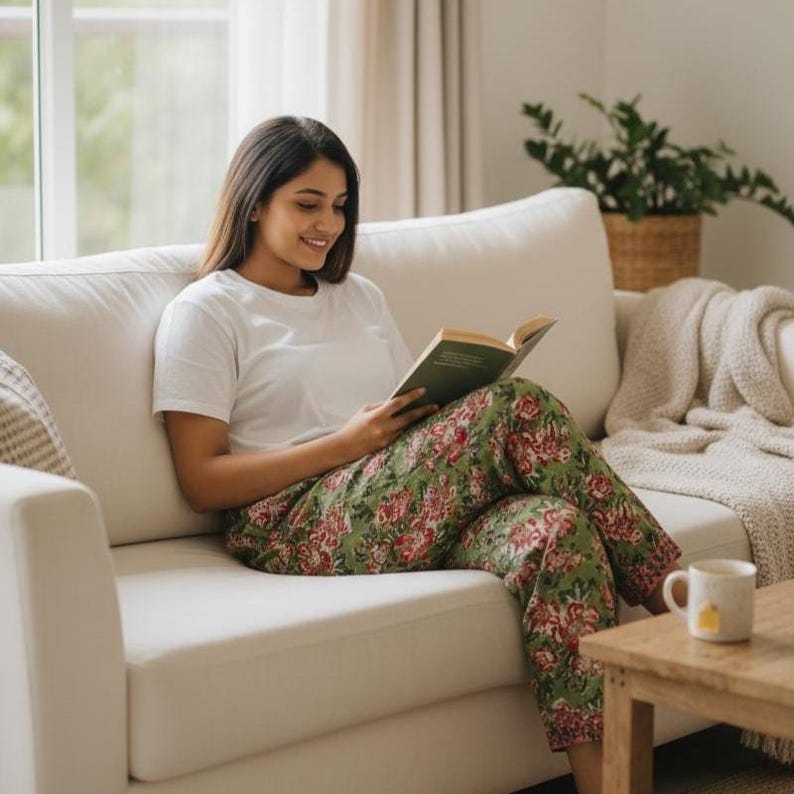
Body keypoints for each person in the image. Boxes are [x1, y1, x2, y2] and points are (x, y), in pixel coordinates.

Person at [152, 116, 682, 794]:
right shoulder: (207, 312)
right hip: (290, 522)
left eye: (340, 206)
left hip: (396, 499)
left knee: (558, 533)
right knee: (517, 407)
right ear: (255, 202)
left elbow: (406, 417)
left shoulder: (360, 297)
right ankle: (673, 591)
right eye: (307, 204)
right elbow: (201, 480)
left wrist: (443, 407)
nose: (328, 224)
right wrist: (342, 446)